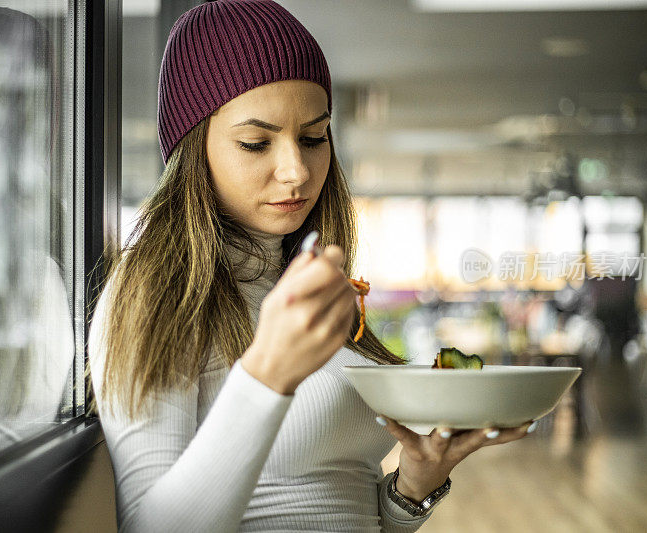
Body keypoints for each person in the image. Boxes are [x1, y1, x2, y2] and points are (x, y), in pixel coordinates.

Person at [88, 1, 536, 531]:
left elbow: (337, 505)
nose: (296, 170)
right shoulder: (156, 290)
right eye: (256, 143)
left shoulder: (306, 278)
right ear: (191, 149)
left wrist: (414, 485)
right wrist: (267, 376)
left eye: (313, 137)